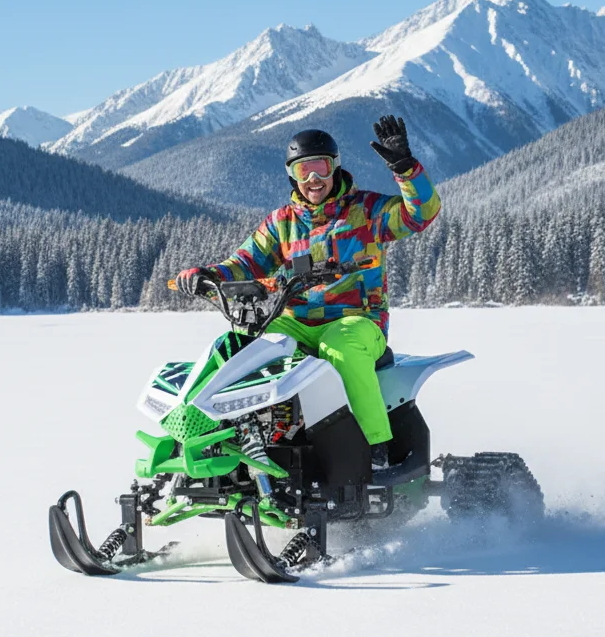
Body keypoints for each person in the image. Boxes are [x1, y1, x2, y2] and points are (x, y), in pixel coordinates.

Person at [175, 115, 440, 467]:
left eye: (320, 168)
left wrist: (406, 169)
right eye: (304, 171)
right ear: (292, 175)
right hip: (295, 320)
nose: (313, 179)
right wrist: (207, 275)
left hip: (357, 320)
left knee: (339, 348)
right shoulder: (282, 222)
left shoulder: (367, 211)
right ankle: (222, 442)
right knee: (243, 349)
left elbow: (421, 213)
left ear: (335, 168)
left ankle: (373, 447)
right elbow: (245, 263)